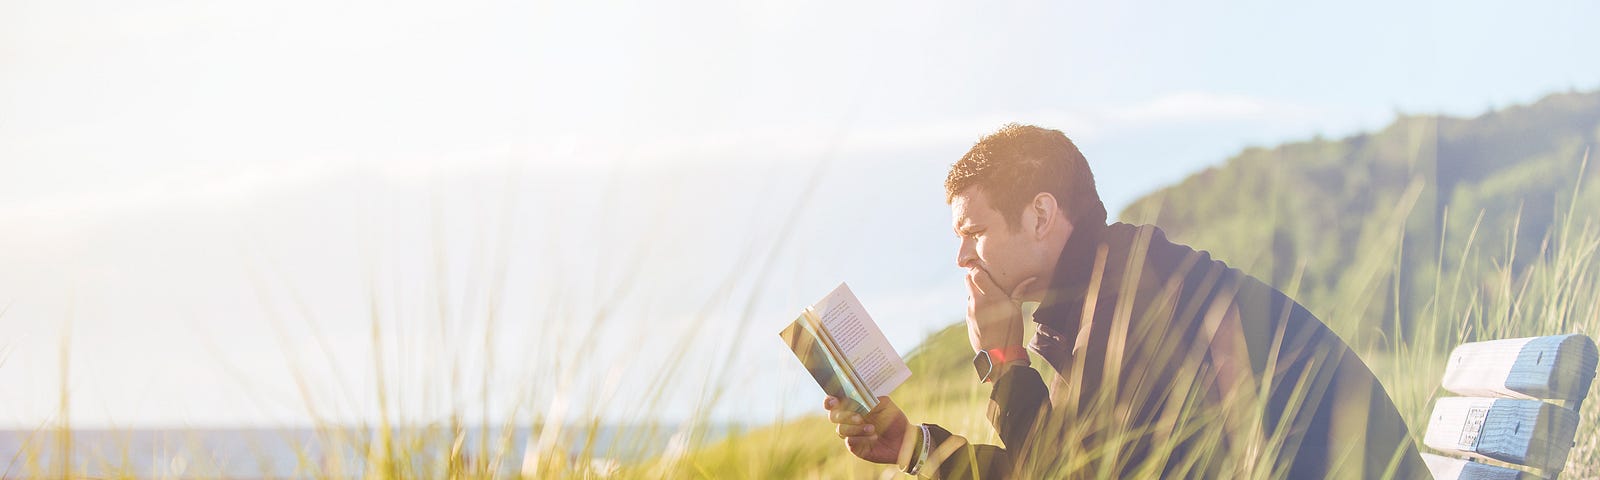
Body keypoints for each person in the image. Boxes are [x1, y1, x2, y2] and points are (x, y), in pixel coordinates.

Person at [823, 124, 1427, 479]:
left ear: (1040, 214)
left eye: (973, 233)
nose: (963, 259)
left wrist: (1004, 359)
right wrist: (912, 446)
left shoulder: (1137, 300)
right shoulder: (1098, 295)